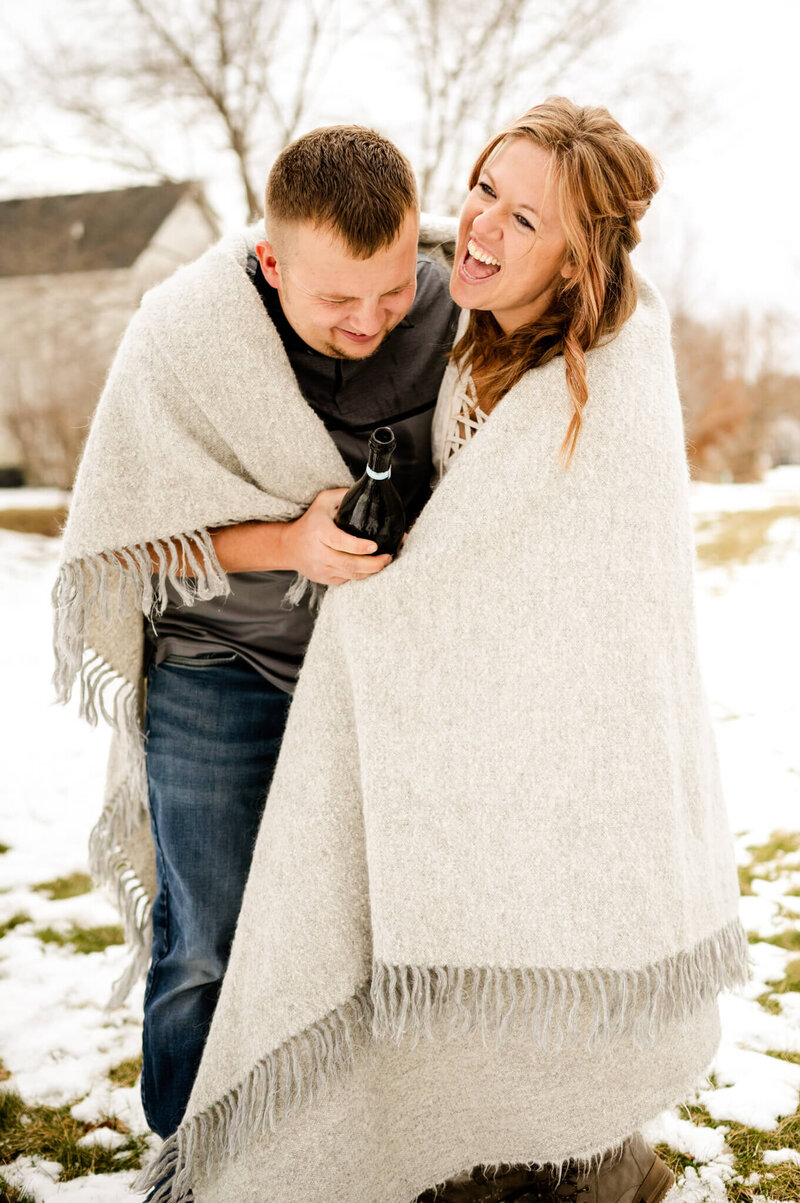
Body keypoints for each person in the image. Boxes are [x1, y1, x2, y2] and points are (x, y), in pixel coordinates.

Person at [137, 99, 749, 1203]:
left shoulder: (594, 367)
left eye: (525, 218)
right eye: (480, 189)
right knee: (325, 932)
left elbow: (541, 563)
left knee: (522, 920)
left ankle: (569, 1155)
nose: (480, 226)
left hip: (558, 712)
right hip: (318, 675)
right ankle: (244, 1163)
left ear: (578, 259)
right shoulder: (463, 327)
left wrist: (389, 597)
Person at [51, 126, 459, 1140]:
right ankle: (194, 1153)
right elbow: (120, 542)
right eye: (333, 299)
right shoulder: (183, 330)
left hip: (387, 673)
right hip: (218, 665)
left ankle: (349, 1147)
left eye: (390, 288)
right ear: (271, 262)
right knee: (208, 939)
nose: (368, 321)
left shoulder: (461, 299)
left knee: (385, 935)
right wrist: (287, 542)